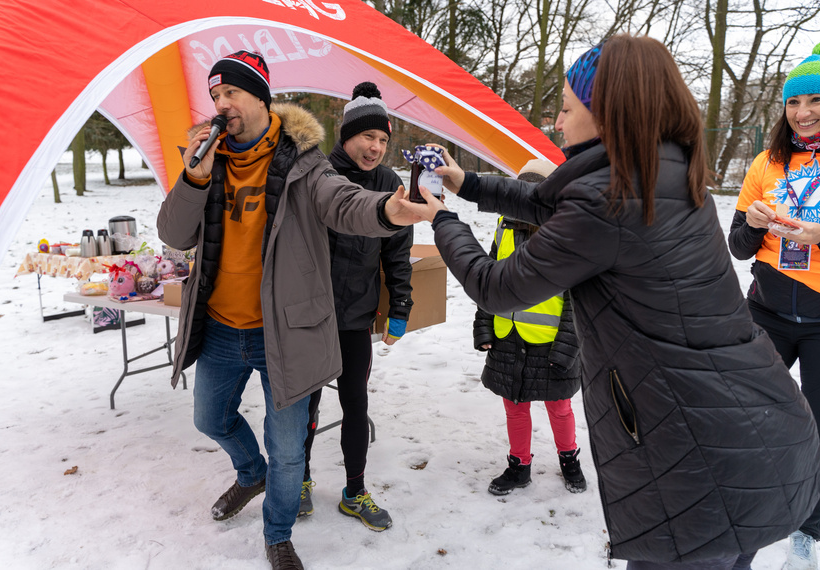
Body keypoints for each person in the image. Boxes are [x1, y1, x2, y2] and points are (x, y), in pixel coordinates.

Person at [400, 34, 820, 568]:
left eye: (565, 107)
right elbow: (546, 200)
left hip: (700, 459)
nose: (556, 121)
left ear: (606, 116)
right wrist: (466, 183)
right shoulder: (659, 168)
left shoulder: (611, 197)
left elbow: (496, 286)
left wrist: (440, 218)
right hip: (748, 431)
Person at [157, 51, 417, 570]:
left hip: (287, 332)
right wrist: (193, 179)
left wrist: (387, 208)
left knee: (290, 450)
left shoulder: (303, 163)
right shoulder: (209, 158)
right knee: (210, 418)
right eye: (214, 96)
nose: (221, 104)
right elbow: (172, 233)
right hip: (222, 330)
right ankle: (250, 474)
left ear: (259, 97)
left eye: (230, 92)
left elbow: (343, 202)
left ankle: (278, 533)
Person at [728, 41, 820, 570]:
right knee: (745, 417)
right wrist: (754, 225)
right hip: (765, 309)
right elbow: (736, 245)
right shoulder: (767, 163)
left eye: (816, 100)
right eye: (793, 102)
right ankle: (742, 513)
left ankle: (808, 530)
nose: (803, 113)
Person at [298, 82, 413, 531]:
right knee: (304, 404)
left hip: (357, 314)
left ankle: (354, 490)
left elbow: (397, 251)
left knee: (355, 402)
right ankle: (300, 481)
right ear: (346, 135)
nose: (376, 147)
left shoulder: (389, 184)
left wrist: (400, 305)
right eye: (369, 137)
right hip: (313, 314)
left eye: (383, 140)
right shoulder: (320, 175)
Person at [473, 159, 586, 497]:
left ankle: (569, 460)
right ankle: (519, 465)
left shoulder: (567, 236)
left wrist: (567, 346)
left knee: (560, 407)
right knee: (515, 407)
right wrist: (484, 327)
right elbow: (488, 281)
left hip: (551, 345)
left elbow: (577, 301)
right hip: (507, 338)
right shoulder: (503, 228)